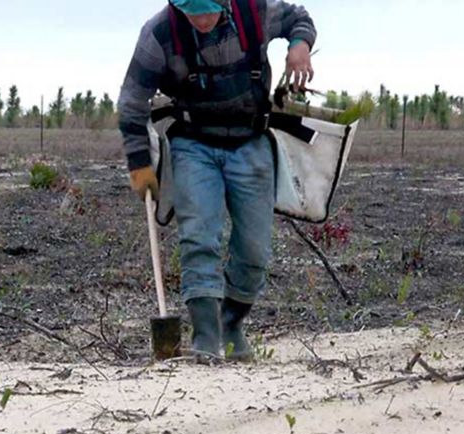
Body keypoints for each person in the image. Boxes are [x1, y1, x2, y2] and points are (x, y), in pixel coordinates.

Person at [118, 0, 316, 360]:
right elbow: (131, 103)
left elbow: (298, 18)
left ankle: (231, 324)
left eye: (210, 9)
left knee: (255, 249)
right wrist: (139, 164)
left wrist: (299, 46)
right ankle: (206, 335)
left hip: (251, 141)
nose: (205, 19)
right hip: (193, 145)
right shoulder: (159, 33)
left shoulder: (253, 11)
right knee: (199, 238)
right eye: (195, 11)